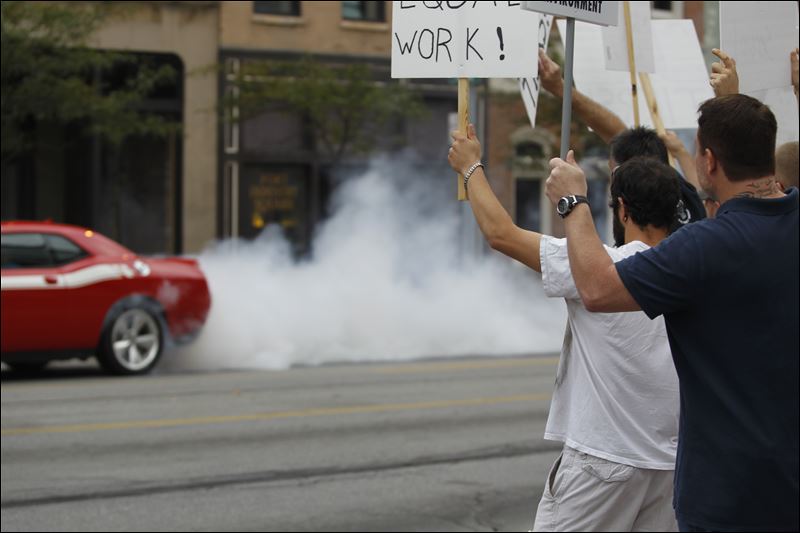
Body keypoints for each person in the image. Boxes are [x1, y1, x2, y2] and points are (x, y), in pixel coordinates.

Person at [544, 94, 799, 532]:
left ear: (709, 161)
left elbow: (598, 289)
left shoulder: (705, 248)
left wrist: (573, 202)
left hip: (729, 498)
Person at [448, 124, 681, 532]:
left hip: (601, 462)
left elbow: (501, 234)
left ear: (622, 210)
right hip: (671, 466)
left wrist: (471, 167)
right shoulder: (697, 262)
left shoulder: (598, 266)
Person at [538, 49, 706, 227]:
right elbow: (619, 135)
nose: (612, 188)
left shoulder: (646, 251)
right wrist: (681, 152)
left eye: (615, 175)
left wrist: (571, 201)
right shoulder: (690, 207)